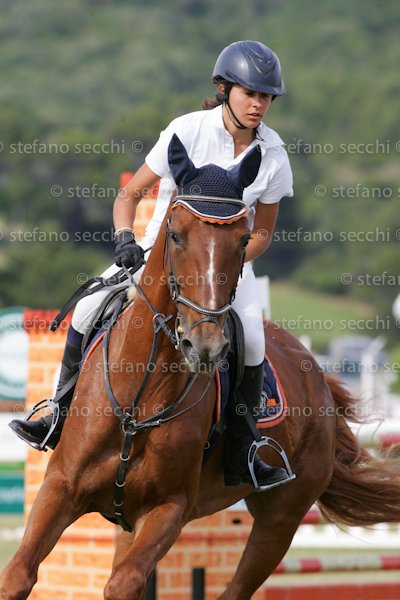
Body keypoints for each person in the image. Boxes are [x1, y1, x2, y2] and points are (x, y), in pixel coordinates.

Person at [10, 40, 294, 491]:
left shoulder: (273, 154)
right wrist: (126, 238)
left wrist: (221, 264)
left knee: (254, 339)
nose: (259, 104)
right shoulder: (187, 130)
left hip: (229, 267)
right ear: (224, 89)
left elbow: (262, 234)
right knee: (86, 310)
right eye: (250, 94)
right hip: (157, 255)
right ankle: (57, 414)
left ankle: (245, 449)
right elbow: (129, 196)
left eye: (266, 97)